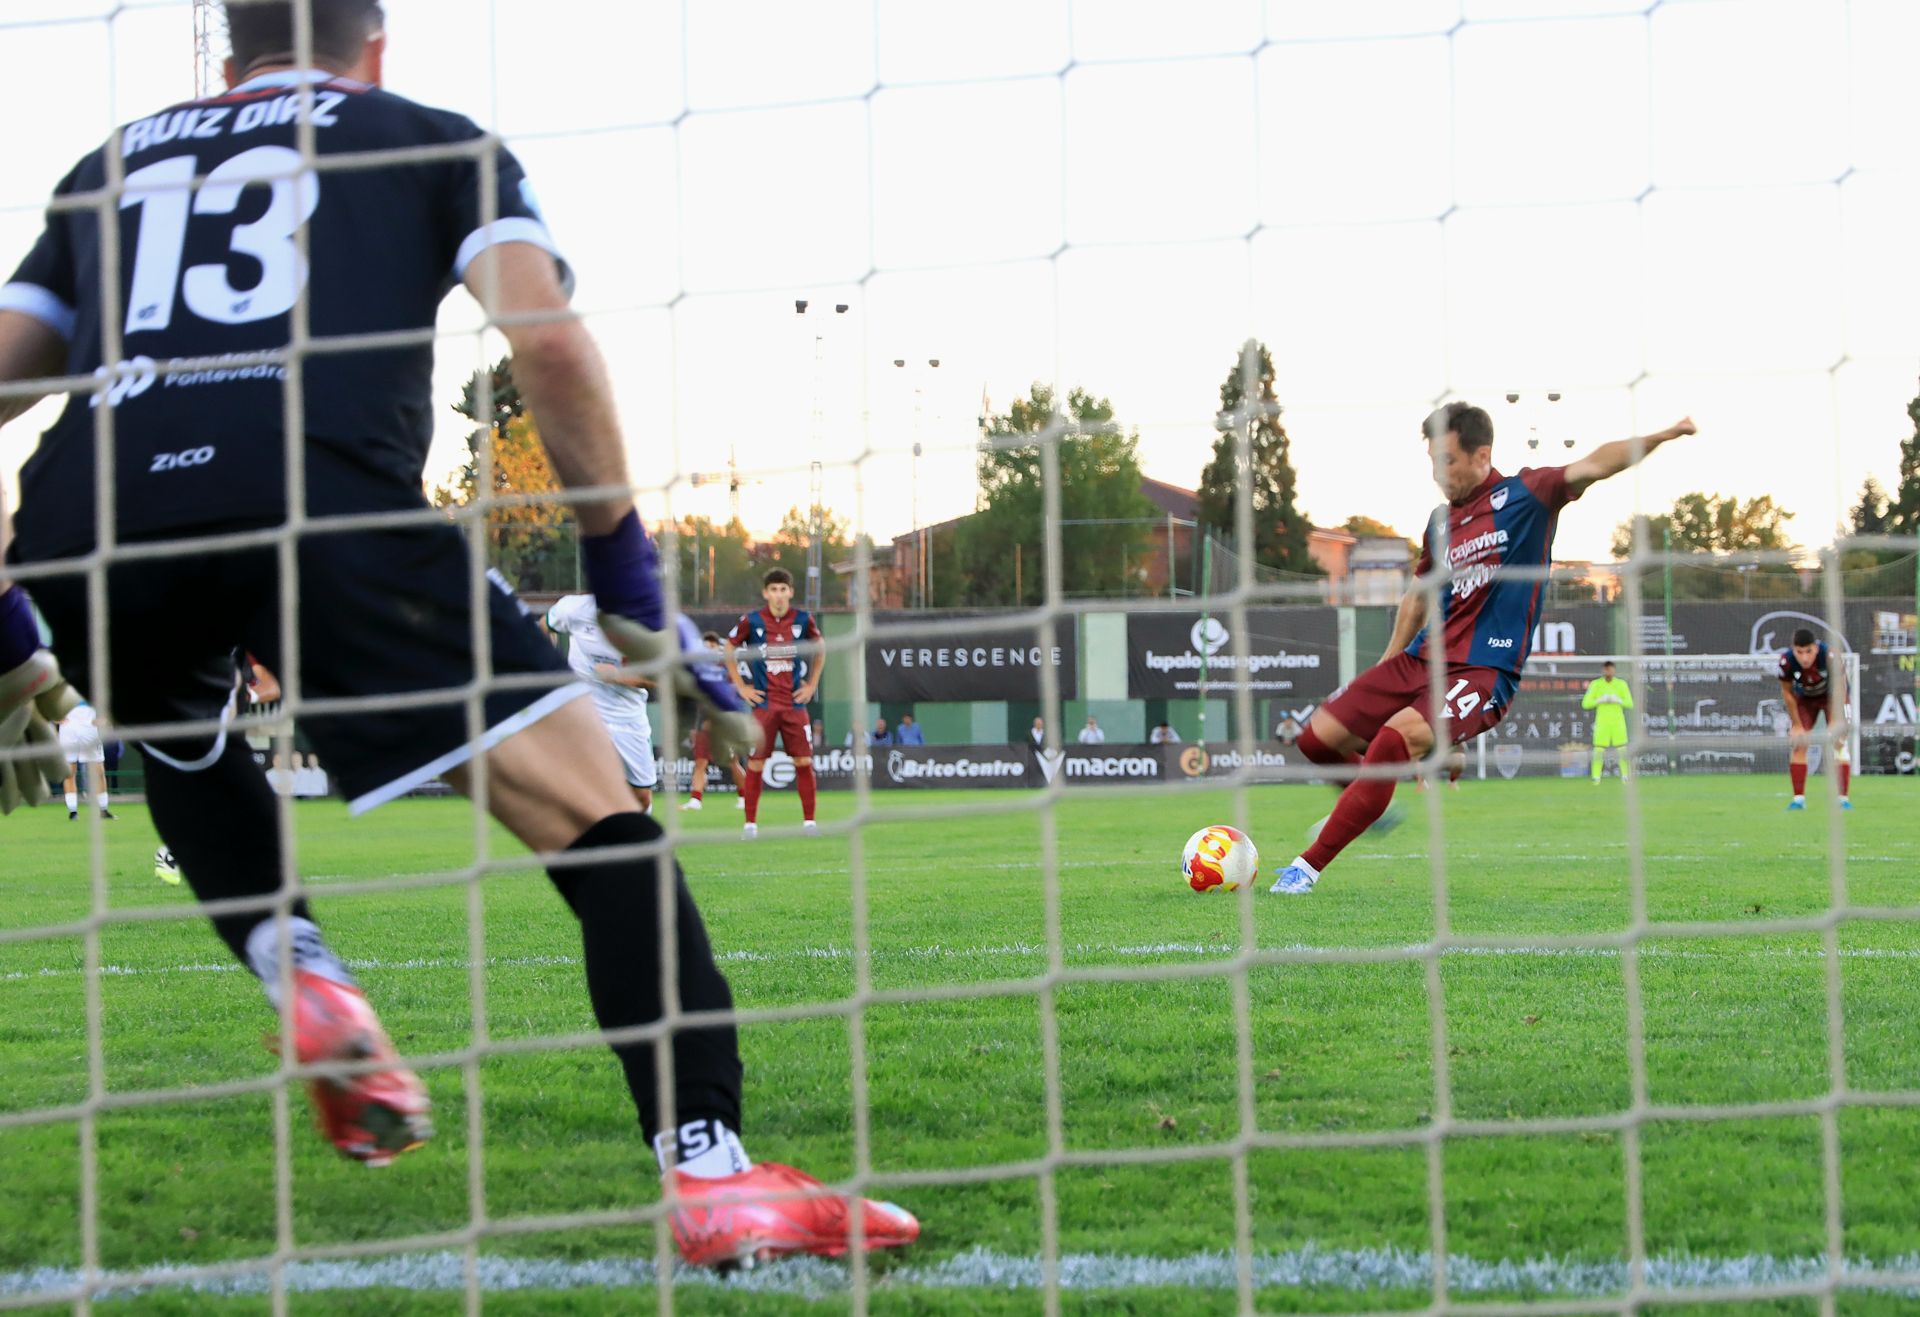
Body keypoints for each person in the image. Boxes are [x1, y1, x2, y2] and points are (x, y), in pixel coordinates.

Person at [0, 0, 913, 1268]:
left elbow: (8, 369)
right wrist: (624, 575)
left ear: (227, 59)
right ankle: (712, 1174)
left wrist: (4, 617)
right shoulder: (420, 134)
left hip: (88, 517)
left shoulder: (111, 163)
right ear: (374, 47)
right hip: (323, 497)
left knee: (189, 747)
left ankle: (299, 966)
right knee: (605, 828)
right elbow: (547, 343)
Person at [1269, 403, 1696, 894]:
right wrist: (1387, 666)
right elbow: (1417, 597)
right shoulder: (1439, 524)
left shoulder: (1527, 495)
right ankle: (1367, 803)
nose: (1438, 474)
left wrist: (1664, 434)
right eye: (1432, 462)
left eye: (1447, 461)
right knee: (1316, 739)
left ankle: (1305, 869)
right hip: (1419, 661)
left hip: (1482, 670)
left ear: (1481, 455)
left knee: (1392, 740)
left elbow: (1597, 464)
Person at [727, 568, 824, 839]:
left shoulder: (803, 620)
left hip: (794, 705)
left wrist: (812, 684)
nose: (779, 595)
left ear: (791, 592)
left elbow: (820, 647)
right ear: (766, 593)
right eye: (774, 590)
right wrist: (741, 686)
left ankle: (809, 823)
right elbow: (729, 647)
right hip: (764, 707)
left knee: (803, 762)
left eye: (783, 589)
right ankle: (750, 825)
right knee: (756, 763)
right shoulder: (753, 620)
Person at [547, 593, 657, 813]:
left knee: (642, 797)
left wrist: (617, 675)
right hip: (584, 713)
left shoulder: (646, 621)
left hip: (628, 719)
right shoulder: (573, 607)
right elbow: (546, 626)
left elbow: (658, 679)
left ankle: (640, 841)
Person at [1778, 627, 1851, 810]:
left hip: (1832, 697)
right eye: (1799, 652)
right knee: (1799, 743)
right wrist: (1796, 724)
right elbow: (1787, 693)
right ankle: (1798, 800)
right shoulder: (1786, 661)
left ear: (1816, 648)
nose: (1804, 658)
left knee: (1839, 742)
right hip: (1805, 700)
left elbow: (1840, 688)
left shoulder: (1829, 656)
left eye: (1808, 651)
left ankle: (1842, 800)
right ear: (1793, 649)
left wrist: (1835, 718)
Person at [681, 631, 747, 812]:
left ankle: (744, 797)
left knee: (732, 762)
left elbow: (732, 694)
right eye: (706, 645)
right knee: (700, 762)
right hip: (703, 721)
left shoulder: (726, 668)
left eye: (713, 645)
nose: (709, 648)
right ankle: (695, 800)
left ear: (718, 647)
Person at [57, 701, 114, 820]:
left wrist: (105, 718)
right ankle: (73, 812)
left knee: (98, 772)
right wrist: (54, 719)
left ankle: (103, 809)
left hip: (89, 728)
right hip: (68, 729)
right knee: (69, 772)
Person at [1581, 660, 1634, 783]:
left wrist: (1618, 700)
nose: (1608, 672)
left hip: (1618, 722)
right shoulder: (1596, 684)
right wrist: (1599, 700)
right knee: (1598, 750)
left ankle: (1625, 776)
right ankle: (1596, 777)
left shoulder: (1621, 684)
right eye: (1606, 669)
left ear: (1614, 670)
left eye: (1610, 669)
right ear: (1603, 670)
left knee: (1622, 750)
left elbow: (1630, 703)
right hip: (1602, 722)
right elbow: (1585, 704)